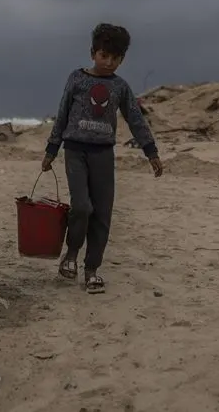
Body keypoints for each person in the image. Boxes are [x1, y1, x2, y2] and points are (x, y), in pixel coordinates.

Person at [42, 23, 163, 294]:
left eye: (116, 58)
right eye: (104, 56)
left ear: (122, 59)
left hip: (103, 155)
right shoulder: (77, 79)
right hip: (75, 151)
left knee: (102, 214)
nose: (109, 63)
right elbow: (62, 115)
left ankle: (92, 270)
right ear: (93, 53)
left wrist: (150, 151)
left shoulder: (120, 87)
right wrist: (51, 150)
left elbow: (135, 119)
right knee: (82, 207)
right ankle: (71, 254)